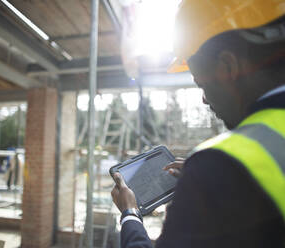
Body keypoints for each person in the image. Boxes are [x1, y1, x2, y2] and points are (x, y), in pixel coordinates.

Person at [111, 1, 285, 247]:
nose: (204, 98)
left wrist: (130, 214)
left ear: (227, 67)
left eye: (201, 83)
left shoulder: (221, 164)